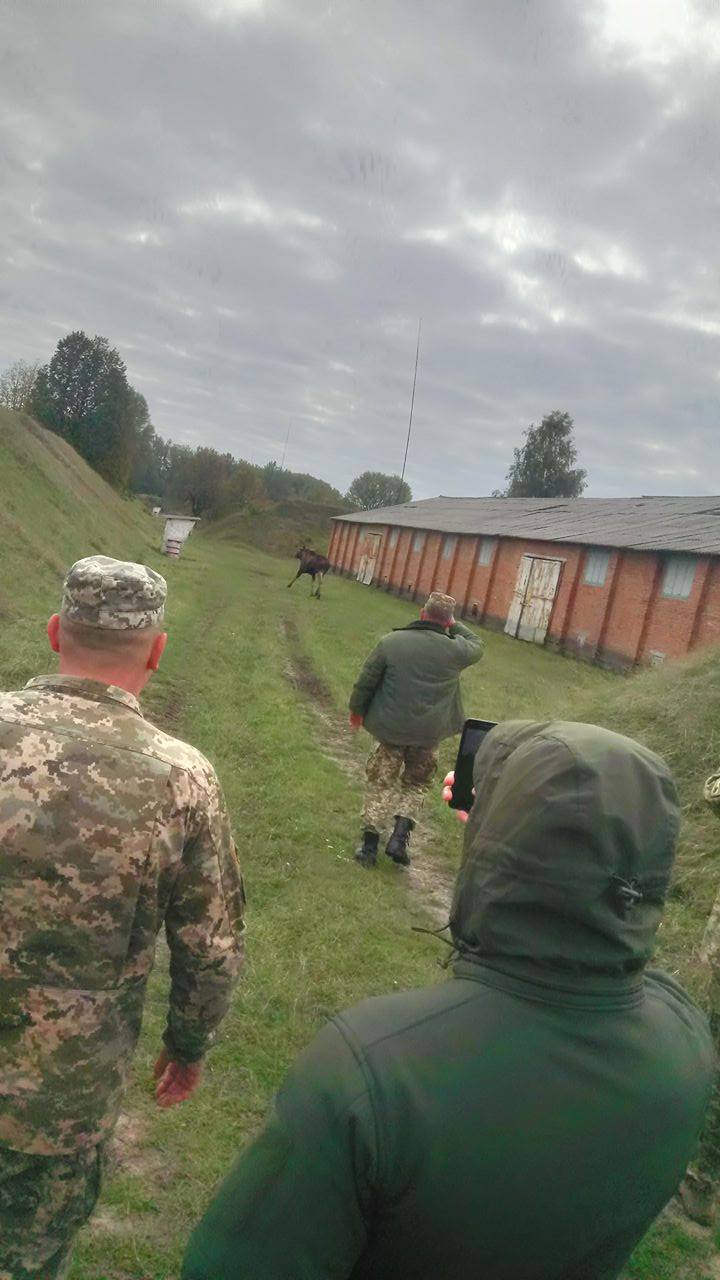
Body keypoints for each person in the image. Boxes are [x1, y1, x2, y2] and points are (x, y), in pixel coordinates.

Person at [182, 721, 714, 1280]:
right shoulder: (685, 1038)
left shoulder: (373, 1071)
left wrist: (496, 845)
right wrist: (503, 835)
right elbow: (603, 946)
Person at [0, 556, 245, 1280]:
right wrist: (188, 1043)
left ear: (55, 632)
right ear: (157, 651)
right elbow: (211, 943)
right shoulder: (183, 778)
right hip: (61, 1092)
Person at [348, 590, 483, 867]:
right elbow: (477, 644)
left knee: (380, 782)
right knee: (417, 785)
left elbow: (366, 681)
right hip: (428, 735)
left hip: (390, 731)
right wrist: (453, 624)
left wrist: (356, 711)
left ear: (422, 614)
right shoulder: (456, 650)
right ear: (447, 622)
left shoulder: (391, 643)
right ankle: (399, 839)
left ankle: (369, 848)